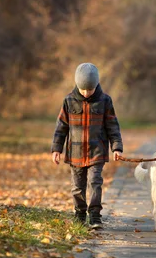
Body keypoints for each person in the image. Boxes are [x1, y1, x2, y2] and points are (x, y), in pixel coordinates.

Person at [51, 63, 123, 229]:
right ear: (77, 85)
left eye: (89, 89)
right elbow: (61, 127)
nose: (86, 93)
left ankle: (95, 216)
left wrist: (117, 147)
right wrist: (56, 149)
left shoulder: (105, 101)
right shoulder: (69, 101)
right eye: (83, 89)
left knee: (95, 182)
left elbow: (113, 126)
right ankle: (80, 213)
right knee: (77, 187)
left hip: (97, 151)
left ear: (96, 85)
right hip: (75, 152)